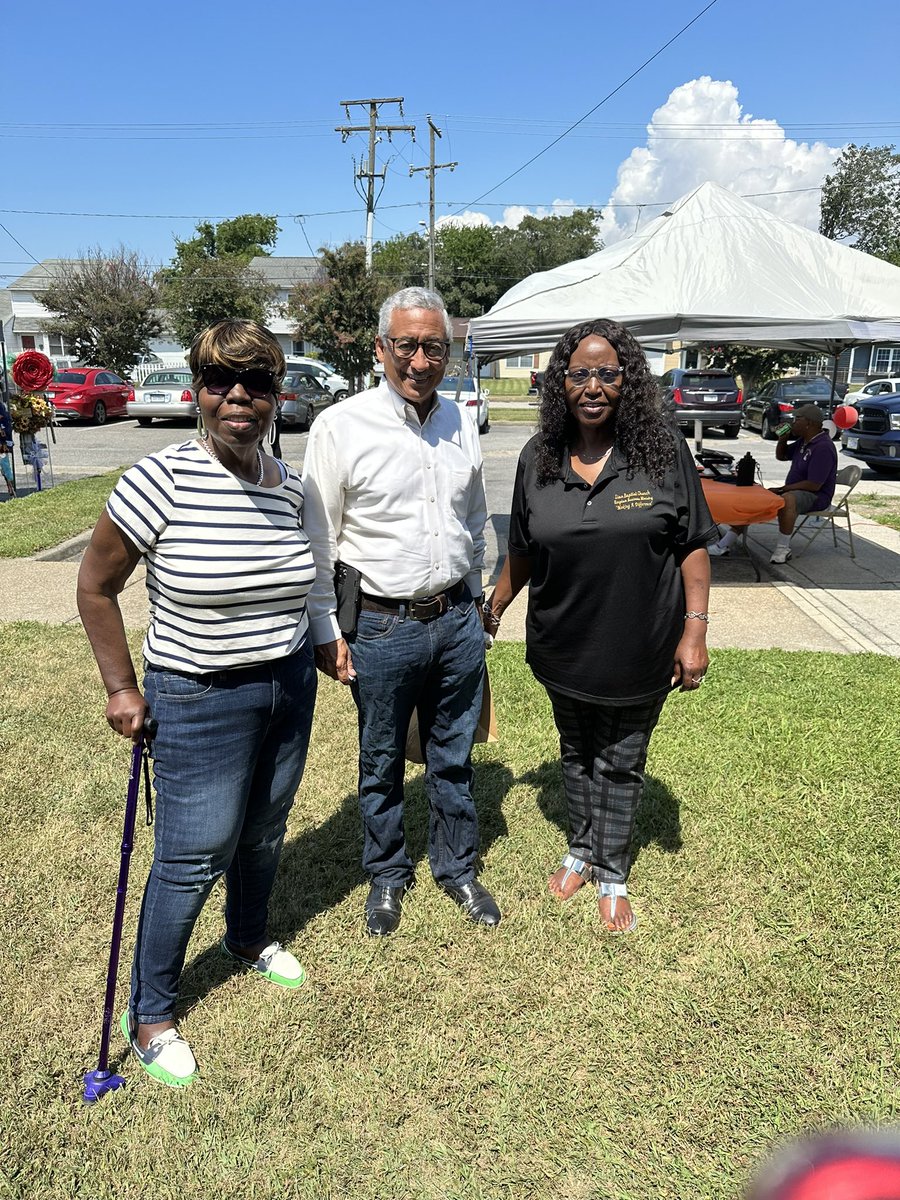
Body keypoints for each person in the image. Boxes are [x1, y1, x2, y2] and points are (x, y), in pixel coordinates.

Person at [76, 319, 318, 1088]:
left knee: (265, 829)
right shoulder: (161, 480)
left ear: (277, 397)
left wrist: (322, 649)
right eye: (221, 382)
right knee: (191, 855)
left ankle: (246, 939)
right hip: (197, 694)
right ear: (199, 392)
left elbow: (307, 588)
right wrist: (121, 686)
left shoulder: (292, 486)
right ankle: (149, 1013)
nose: (239, 397)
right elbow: (95, 586)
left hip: (286, 685)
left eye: (256, 384)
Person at [482, 319, 716, 932]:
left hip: (640, 644)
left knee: (620, 758)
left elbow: (692, 543)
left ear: (627, 381)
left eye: (607, 373)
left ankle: (611, 870)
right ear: (561, 383)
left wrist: (695, 629)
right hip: (563, 644)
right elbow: (524, 550)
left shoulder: (661, 451)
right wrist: (495, 605)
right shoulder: (539, 458)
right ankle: (581, 848)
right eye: (579, 373)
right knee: (577, 750)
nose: (592, 385)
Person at [301, 286, 500, 937]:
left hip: (457, 621)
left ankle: (457, 868)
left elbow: (471, 517)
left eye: (433, 347)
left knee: (452, 755)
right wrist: (326, 628)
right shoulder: (341, 425)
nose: (420, 359)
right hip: (381, 628)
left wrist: (476, 599)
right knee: (381, 759)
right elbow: (318, 538)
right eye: (407, 345)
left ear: (450, 351)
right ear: (382, 347)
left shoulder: (460, 421)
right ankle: (387, 876)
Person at [708, 403, 837, 564]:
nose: (793, 422)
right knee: (758, 499)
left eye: (797, 419)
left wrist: (783, 489)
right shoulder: (804, 441)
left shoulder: (823, 447)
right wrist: (782, 438)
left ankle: (783, 549)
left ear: (809, 423)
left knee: (788, 500)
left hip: (816, 496)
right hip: (795, 490)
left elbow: (814, 485)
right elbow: (781, 456)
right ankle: (723, 544)